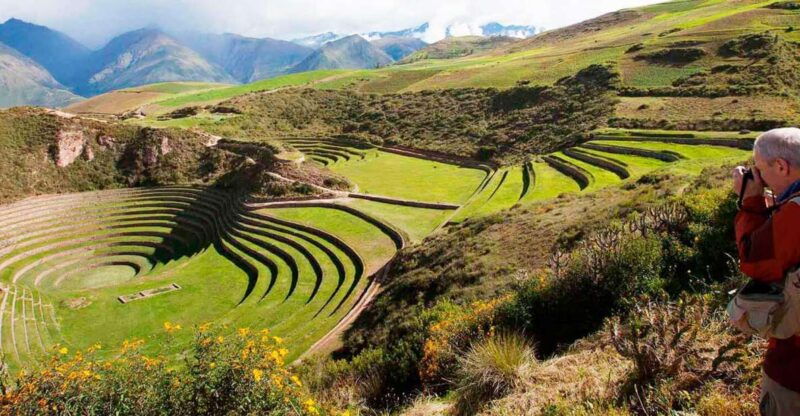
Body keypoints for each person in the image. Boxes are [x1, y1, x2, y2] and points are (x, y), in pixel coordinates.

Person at [733, 127, 800, 416]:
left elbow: (753, 259)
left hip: (795, 365)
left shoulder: (796, 212)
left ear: (782, 166)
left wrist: (750, 200)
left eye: (760, 169)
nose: (758, 178)